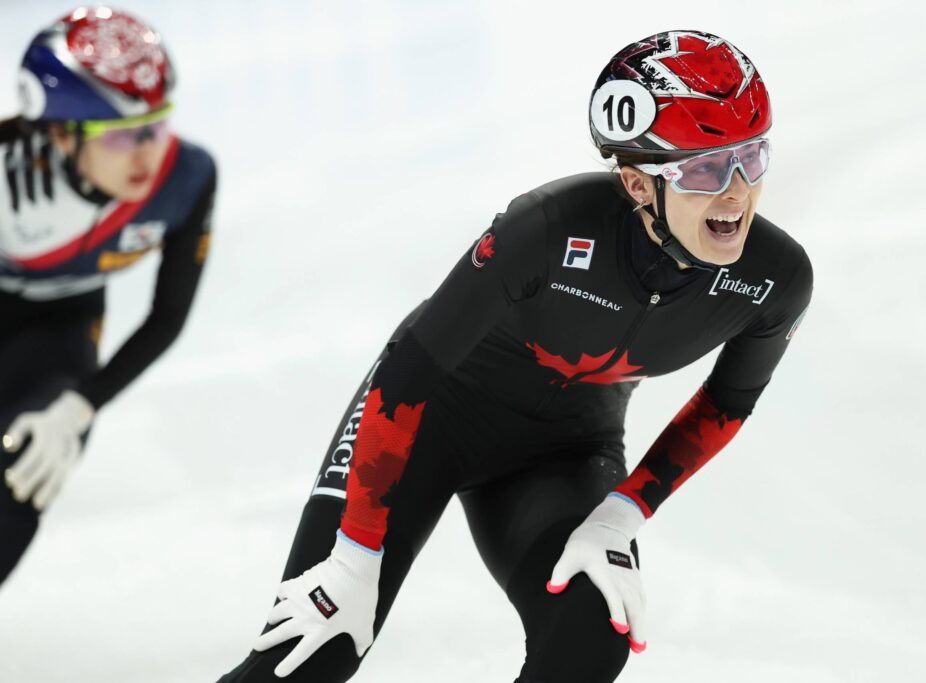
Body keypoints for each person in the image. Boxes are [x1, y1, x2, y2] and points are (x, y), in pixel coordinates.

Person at [219, 30, 811, 683]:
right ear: (638, 183)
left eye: (750, 158)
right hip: (423, 423)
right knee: (305, 655)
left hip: (561, 455)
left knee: (589, 638)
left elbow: (727, 403)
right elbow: (410, 371)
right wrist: (356, 555)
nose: (736, 193)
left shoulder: (775, 279)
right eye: (705, 168)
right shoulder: (549, 228)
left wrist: (619, 514)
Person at [0, 7, 216, 586]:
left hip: (60, 327)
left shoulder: (187, 178)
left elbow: (167, 318)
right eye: (121, 135)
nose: (147, 154)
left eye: (157, 124)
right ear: (57, 131)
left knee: (29, 460)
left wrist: (81, 405)